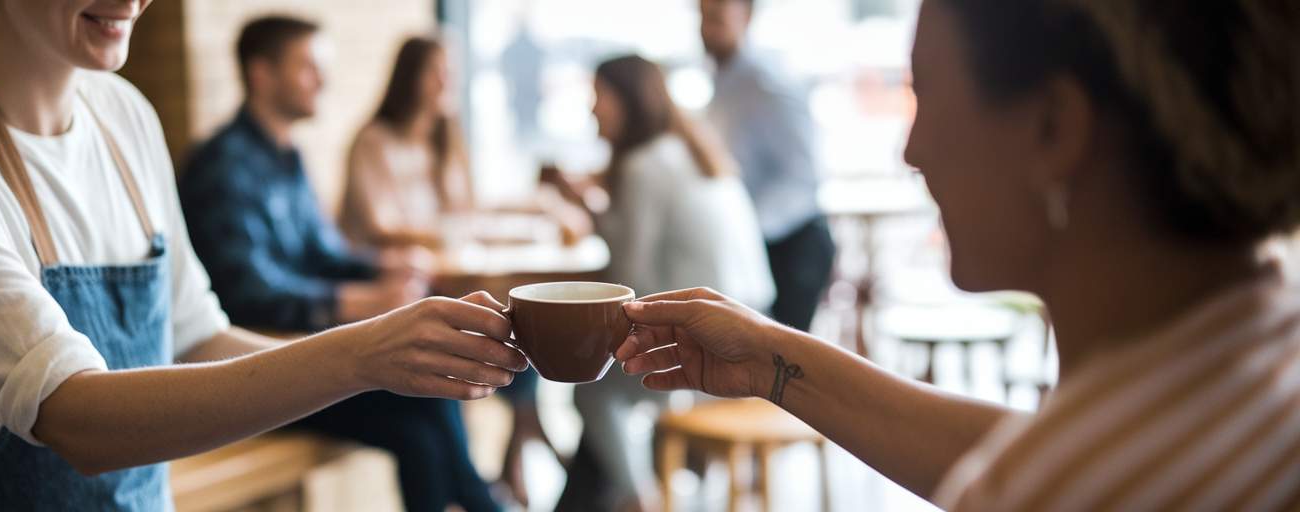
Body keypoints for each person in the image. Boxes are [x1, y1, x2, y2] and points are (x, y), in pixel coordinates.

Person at [0, 2, 527, 510]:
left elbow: (195, 336)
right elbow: (73, 418)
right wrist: (359, 353)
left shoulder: (125, 116)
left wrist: (384, 370)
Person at [618, 0, 1300, 510]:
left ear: (1053, 127)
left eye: (927, 95)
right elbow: (1036, 447)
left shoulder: (1064, 487)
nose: (910, 152)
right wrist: (772, 361)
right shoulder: (1262, 351)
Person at [178, 17, 501, 512]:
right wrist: (364, 298)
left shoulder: (286, 155)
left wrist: (383, 268)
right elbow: (245, 292)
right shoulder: (222, 167)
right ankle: (485, 504)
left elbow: (321, 254)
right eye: (308, 67)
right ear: (261, 75)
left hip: (300, 349)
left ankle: (483, 503)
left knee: (420, 429)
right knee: (428, 398)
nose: (323, 81)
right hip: (257, 368)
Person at [545, 55, 774, 512]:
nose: (592, 110)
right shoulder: (688, 148)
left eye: (598, 97)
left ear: (627, 101)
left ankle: (640, 500)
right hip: (749, 316)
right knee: (610, 388)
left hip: (710, 335)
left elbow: (632, 283)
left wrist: (586, 216)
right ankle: (625, 489)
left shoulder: (644, 165)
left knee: (592, 386)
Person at [700, 0, 835, 331]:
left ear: (746, 16)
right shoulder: (723, 79)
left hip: (791, 245)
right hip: (760, 245)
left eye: (716, 17)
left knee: (783, 369)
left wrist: (746, 229)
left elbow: (802, 178)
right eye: (702, 18)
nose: (706, 29)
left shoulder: (767, 82)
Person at [339, 36, 473, 251]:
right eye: (436, 72)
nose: (446, 82)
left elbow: (466, 209)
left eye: (451, 73)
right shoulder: (373, 141)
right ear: (410, 77)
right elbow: (381, 227)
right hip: (387, 272)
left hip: (433, 266)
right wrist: (453, 235)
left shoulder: (442, 141)